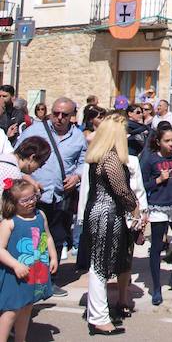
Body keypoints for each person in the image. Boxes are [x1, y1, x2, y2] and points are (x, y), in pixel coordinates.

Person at [17, 96, 86, 281]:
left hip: (61, 196)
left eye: (65, 114)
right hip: (35, 196)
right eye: (56, 113)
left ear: (72, 116)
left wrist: (77, 176)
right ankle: (32, 277)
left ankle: (49, 279)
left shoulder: (78, 137)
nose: (59, 118)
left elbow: (83, 162)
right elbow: (17, 157)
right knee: (34, 237)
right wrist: (28, 180)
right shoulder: (34, 131)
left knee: (57, 236)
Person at [81, 117, 139, 335]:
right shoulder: (111, 158)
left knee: (99, 265)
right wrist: (135, 208)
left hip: (99, 212)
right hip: (106, 215)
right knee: (100, 266)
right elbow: (122, 190)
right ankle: (99, 317)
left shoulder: (98, 156)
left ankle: (98, 313)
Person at [0, 179, 57, 342]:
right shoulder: (9, 222)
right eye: (25, 200)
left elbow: (47, 237)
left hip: (35, 269)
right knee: (11, 310)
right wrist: (16, 265)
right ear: (13, 202)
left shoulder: (40, 215)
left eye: (33, 197)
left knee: (27, 307)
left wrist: (53, 256)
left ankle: (21, 339)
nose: (31, 202)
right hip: (14, 274)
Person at [141, 122, 172, 306]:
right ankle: (156, 287)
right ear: (158, 142)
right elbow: (143, 184)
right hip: (158, 206)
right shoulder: (150, 159)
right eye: (167, 141)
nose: (171, 144)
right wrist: (159, 179)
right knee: (157, 246)